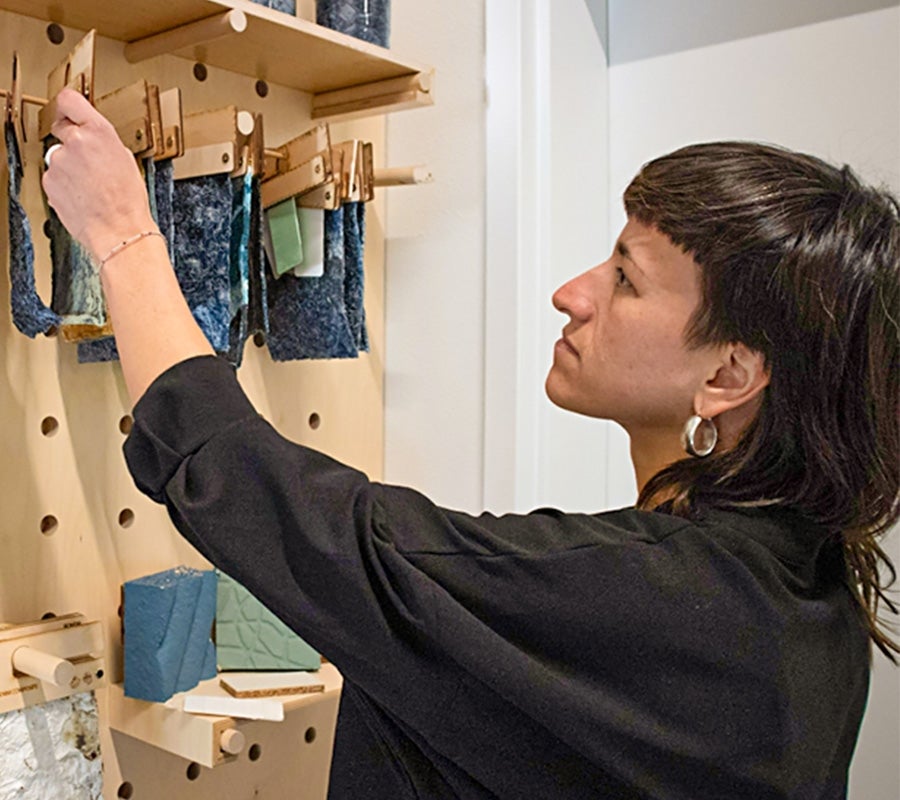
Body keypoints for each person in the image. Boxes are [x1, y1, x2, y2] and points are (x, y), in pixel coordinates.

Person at [43, 87, 898, 799]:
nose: (573, 293)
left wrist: (123, 234)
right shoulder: (813, 591)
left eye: (627, 279)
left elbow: (283, 507)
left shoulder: (664, 604)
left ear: (730, 376)